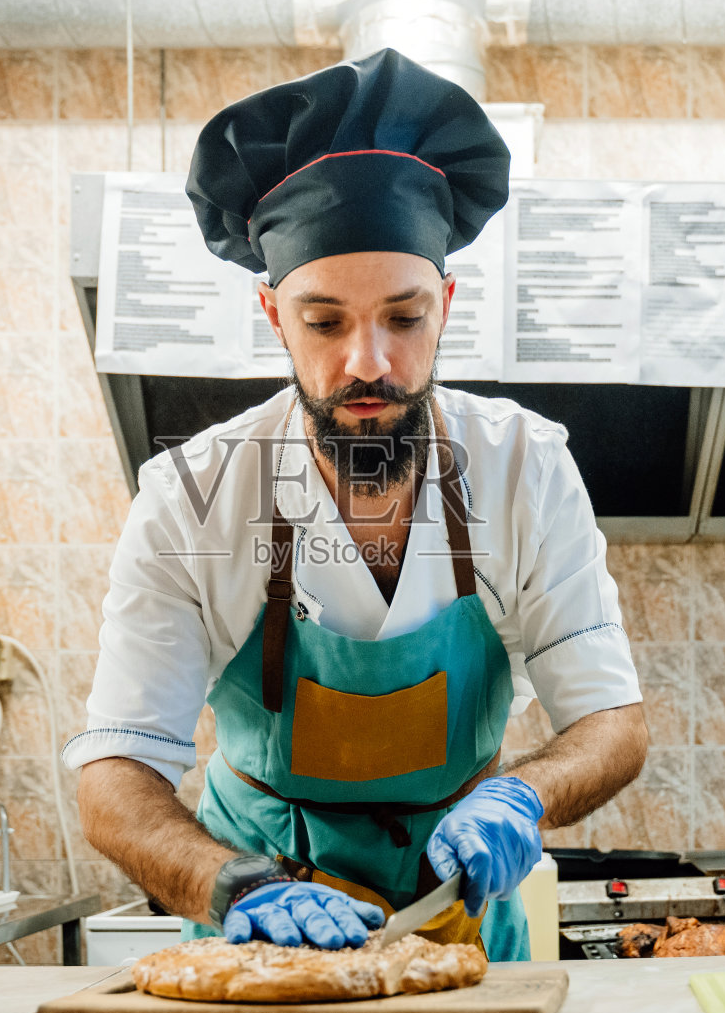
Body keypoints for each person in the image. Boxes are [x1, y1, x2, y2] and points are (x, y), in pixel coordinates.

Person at [63, 48, 647, 961]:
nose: (368, 362)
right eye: (325, 321)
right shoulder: (190, 498)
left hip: (459, 920)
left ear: (445, 304)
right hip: (262, 932)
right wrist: (229, 882)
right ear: (274, 315)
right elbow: (117, 772)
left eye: (404, 317)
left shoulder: (523, 467)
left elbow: (612, 720)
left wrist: (523, 793)